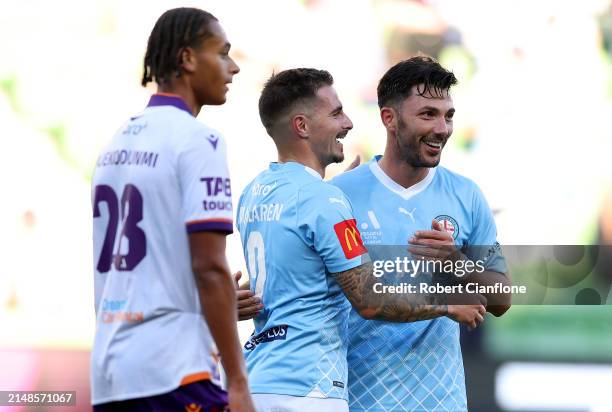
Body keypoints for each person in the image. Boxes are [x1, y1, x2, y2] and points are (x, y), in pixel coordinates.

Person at [236, 68, 486, 412]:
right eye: (336, 113)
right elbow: (369, 299)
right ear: (302, 126)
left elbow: (292, 272)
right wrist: (447, 305)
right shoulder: (328, 199)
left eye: (448, 115)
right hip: (312, 388)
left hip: (259, 379)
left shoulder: (254, 193)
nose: (348, 122)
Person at [90, 8, 254, 412]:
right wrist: (237, 381)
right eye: (222, 53)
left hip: (111, 373)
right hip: (175, 368)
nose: (233, 68)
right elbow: (209, 267)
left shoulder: (114, 143)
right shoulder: (200, 141)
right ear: (187, 59)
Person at [330, 56, 511, 411]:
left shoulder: (466, 194)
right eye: (428, 114)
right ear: (389, 118)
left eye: (448, 115)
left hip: (440, 401)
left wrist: (457, 263)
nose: (442, 128)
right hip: (358, 399)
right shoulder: (342, 195)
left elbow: (502, 299)